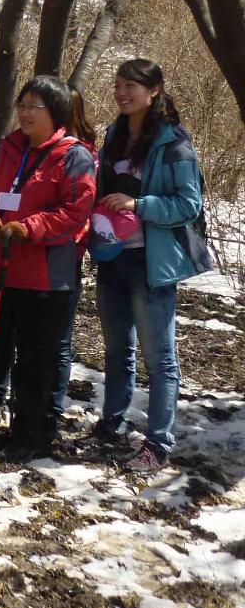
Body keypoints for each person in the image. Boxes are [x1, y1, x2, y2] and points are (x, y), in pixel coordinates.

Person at [0, 75, 95, 461]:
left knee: (34, 359)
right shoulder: (8, 147)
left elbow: (75, 211)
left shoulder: (74, 156)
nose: (24, 112)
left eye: (33, 106)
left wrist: (29, 227)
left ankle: (28, 434)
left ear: (56, 113)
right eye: (21, 105)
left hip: (44, 277)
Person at [91, 59, 210, 472]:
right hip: (113, 256)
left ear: (154, 90)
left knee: (159, 357)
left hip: (151, 261)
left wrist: (138, 204)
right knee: (117, 348)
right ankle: (112, 421)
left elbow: (188, 204)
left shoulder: (173, 143)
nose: (122, 93)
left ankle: (158, 442)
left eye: (131, 86)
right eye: (118, 85)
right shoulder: (114, 135)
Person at [52, 85, 96, 422]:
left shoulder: (82, 152)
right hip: (33, 253)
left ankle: (53, 403)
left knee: (59, 338)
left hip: (67, 252)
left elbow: (79, 208)